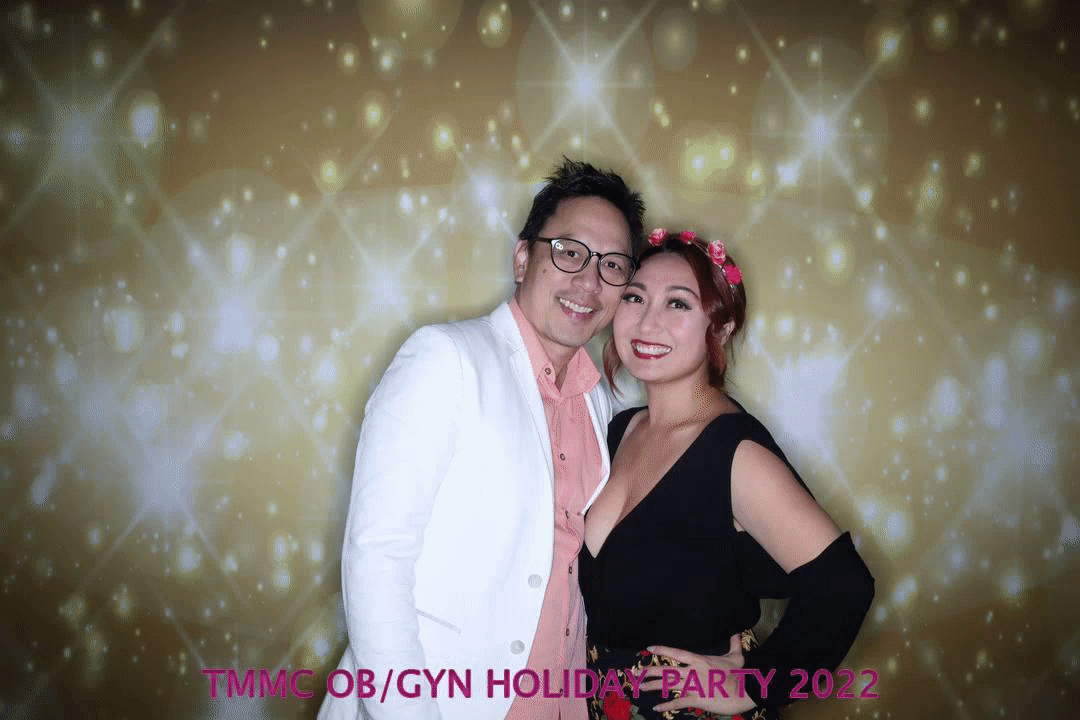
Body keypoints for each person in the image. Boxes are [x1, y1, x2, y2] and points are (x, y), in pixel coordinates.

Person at [317, 158, 645, 720]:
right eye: (569, 252)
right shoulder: (446, 359)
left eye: (612, 265)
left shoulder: (598, 400)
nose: (589, 282)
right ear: (523, 258)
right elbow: (377, 556)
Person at [578, 229, 875, 720]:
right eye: (635, 297)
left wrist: (756, 683)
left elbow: (844, 587)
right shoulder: (618, 430)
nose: (647, 322)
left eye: (678, 304)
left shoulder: (734, 453)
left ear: (720, 327)